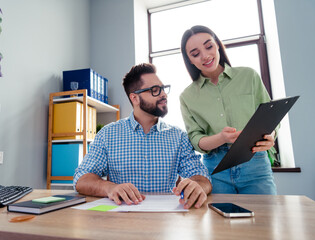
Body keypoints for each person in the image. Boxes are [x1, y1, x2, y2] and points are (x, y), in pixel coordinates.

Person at [73, 63, 212, 209]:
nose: (163, 94)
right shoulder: (107, 135)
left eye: (163, 89)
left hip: (166, 220)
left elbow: (202, 177)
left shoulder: (179, 136)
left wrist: (198, 186)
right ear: (135, 98)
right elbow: (81, 179)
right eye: (155, 90)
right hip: (122, 218)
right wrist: (109, 188)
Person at [179, 25, 277, 194]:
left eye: (208, 46)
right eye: (195, 54)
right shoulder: (187, 96)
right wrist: (221, 138)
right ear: (190, 60)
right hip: (216, 169)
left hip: (255, 163)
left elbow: (270, 117)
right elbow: (196, 139)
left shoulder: (248, 76)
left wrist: (270, 136)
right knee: (219, 220)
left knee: (265, 219)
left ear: (217, 44)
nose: (205, 56)